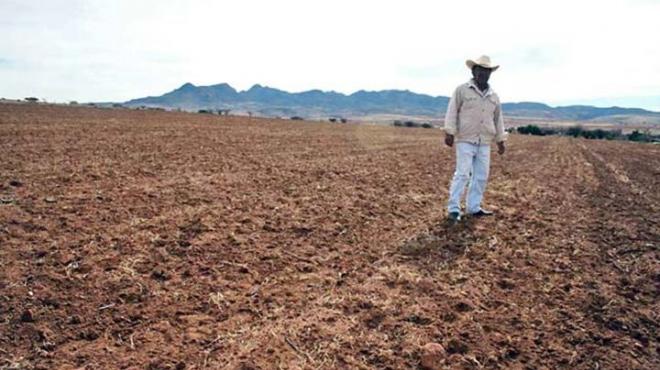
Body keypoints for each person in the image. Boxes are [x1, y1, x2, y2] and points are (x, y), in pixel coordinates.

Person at [444, 55, 506, 222]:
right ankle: (454, 209)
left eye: (486, 71)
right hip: (465, 139)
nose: (483, 74)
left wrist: (501, 140)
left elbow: (498, 119)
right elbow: (452, 111)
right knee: (462, 174)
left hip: (484, 141)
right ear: (473, 71)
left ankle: (474, 207)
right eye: (480, 70)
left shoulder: (494, 96)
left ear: (490, 73)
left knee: (481, 175)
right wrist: (449, 132)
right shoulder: (462, 90)